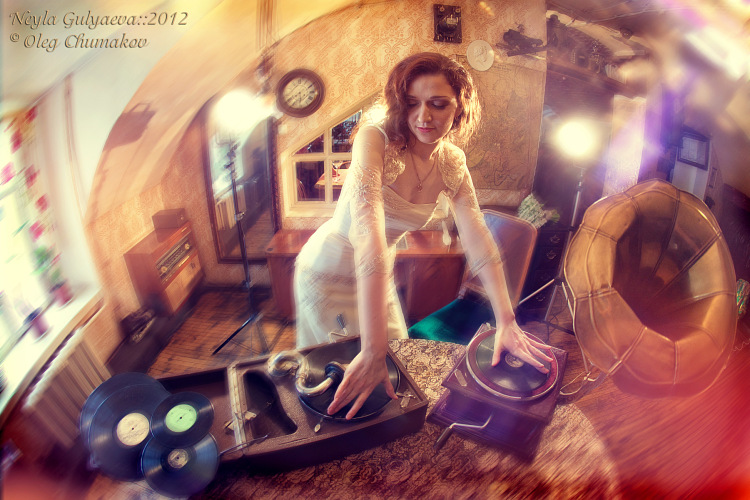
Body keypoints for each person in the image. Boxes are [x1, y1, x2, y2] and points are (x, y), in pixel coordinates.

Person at [293, 52, 552, 420]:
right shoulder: (375, 139)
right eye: (412, 103)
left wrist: (506, 320)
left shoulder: (452, 162)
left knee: (397, 367)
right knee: (337, 381)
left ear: (460, 107)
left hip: (377, 277)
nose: (423, 116)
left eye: (438, 104)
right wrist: (372, 349)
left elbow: (477, 237)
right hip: (330, 271)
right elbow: (368, 235)